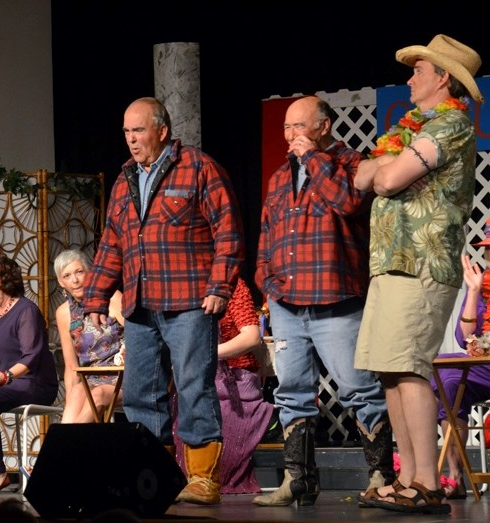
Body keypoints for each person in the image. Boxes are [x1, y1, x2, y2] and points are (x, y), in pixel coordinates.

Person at [83, 97, 244, 505]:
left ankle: (203, 478)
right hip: (141, 304)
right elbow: (111, 244)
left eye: (138, 131)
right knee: (141, 392)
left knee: (193, 385)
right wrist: (97, 296)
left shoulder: (199, 168)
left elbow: (228, 230)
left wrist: (219, 286)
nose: (131, 139)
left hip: (189, 300)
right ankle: (153, 476)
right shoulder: (124, 179)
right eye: (126, 132)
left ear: (162, 131)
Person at [354, 35, 484, 515]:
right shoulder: (414, 130)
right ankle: (407, 476)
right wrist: (382, 166)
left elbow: (381, 179)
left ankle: (428, 481)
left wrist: (381, 169)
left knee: (410, 366)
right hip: (392, 261)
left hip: (423, 263)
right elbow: (359, 175)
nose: (410, 79)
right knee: (391, 370)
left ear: (443, 78)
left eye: (419, 71)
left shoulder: (451, 126)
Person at [252, 95, 394, 507]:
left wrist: (313, 158)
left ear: (324, 127)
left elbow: (346, 202)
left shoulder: (352, 163)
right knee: (292, 390)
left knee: (358, 388)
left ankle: (381, 475)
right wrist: (265, 277)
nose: (291, 135)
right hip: (286, 301)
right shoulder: (280, 176)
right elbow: (266, 231)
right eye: (286, 128)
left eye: (299, 126)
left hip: (335, 297)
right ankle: (298, 480)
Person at [170, 277, 277, 495]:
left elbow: (251, 337)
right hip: (193, 379)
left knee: (220, 441)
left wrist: (206, 354)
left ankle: (204, 483)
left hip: (234, 384)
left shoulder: (233, 285)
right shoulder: (180, 283)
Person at [0, 250, 58, 495]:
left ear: (1, 279)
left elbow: (31, 356)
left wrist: (5, 376)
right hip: (3, 383)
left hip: (32, 382)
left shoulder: (25, 311)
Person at [428, 224, 490, 499]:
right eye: (488, 251)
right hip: (483, 367)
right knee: (446, 375)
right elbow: (465, 337)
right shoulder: (484, 286)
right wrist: (474, 292)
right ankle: (455, 476)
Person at [54, 249, 124, 423]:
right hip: (90, 380)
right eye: (67, 275)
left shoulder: (113, 298)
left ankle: (70, 446)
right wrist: (69, 400)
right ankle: (64, 446)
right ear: (61, 282)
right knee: (77, 392)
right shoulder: (64, 313)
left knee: (98, 395)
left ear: (90, 273)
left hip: (124, 376)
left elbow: (140, 338)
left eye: (79, 272)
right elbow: (71, 366)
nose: (75, 280)